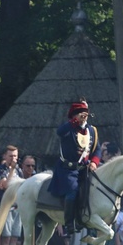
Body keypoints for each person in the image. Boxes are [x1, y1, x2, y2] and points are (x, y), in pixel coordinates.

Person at [48, 99, 101, 235]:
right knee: (72, 191)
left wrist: (94, 162)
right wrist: (75, 122)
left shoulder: (92, 131)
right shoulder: (69, 128)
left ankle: (84, 219)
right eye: (80, 113)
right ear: (74, 115)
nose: (84, 115)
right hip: (67, 170)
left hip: (84, 169)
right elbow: (60, 132)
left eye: (85, 113)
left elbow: (97, 150)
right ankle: (69, 223)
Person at [0, 145, 23, 245]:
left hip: (17, 206)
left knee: (15, 237)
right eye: (11, 156)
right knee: (6, 237)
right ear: (5, 156)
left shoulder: (19, 170)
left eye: (15, 156)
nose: (13, 158)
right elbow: (4, 185)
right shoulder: (0, 169)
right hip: (5, 205)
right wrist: (11, 170)